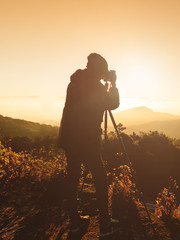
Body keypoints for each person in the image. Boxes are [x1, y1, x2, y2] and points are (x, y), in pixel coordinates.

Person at [58, 53, 119, 235]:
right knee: (100, 179)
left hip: (69, 137)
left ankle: (74, 221)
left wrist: (104, 84)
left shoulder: (75, 81)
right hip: (87, 140)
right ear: (99, 70)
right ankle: (105, 225)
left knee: (73, 177)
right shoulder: (95, 86)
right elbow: (113, 103)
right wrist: (113, 84)